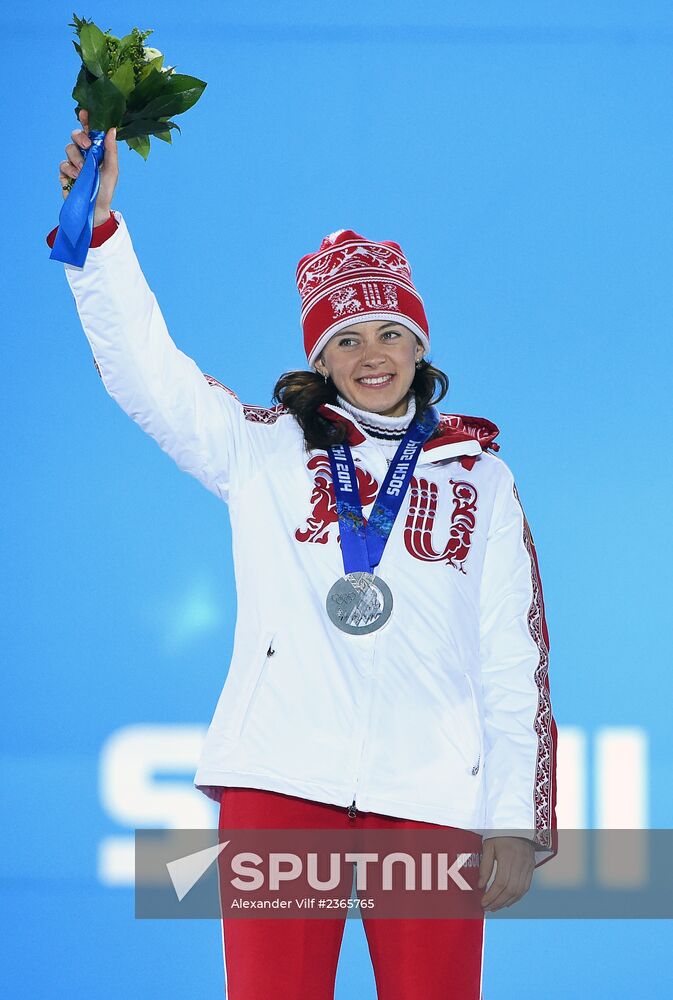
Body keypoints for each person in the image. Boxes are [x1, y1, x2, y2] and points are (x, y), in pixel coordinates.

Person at [50, 109, 558, 1000]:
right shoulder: (263, 450)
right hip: (282, 783)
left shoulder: (482, 479)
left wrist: (511, 817)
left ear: (419, 345)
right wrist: (99, 236)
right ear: (318, 358)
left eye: (391, 334)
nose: (373, 356)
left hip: (429, 795)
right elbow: (150, 375)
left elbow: (514, 658)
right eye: (347, 340)